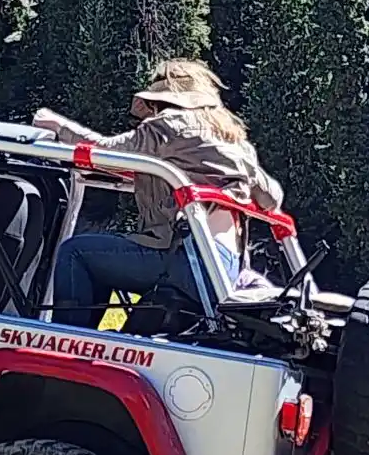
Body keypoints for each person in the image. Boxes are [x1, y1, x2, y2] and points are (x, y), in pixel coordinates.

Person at [33, 59, 283, 329]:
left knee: (76, 251)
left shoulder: (169, 124)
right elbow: (271, 198)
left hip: (184, 257)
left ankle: (68, 341)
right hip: (224, 268)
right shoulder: (233, 141)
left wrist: (59, 126)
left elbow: (106, 152)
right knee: (98, 257)